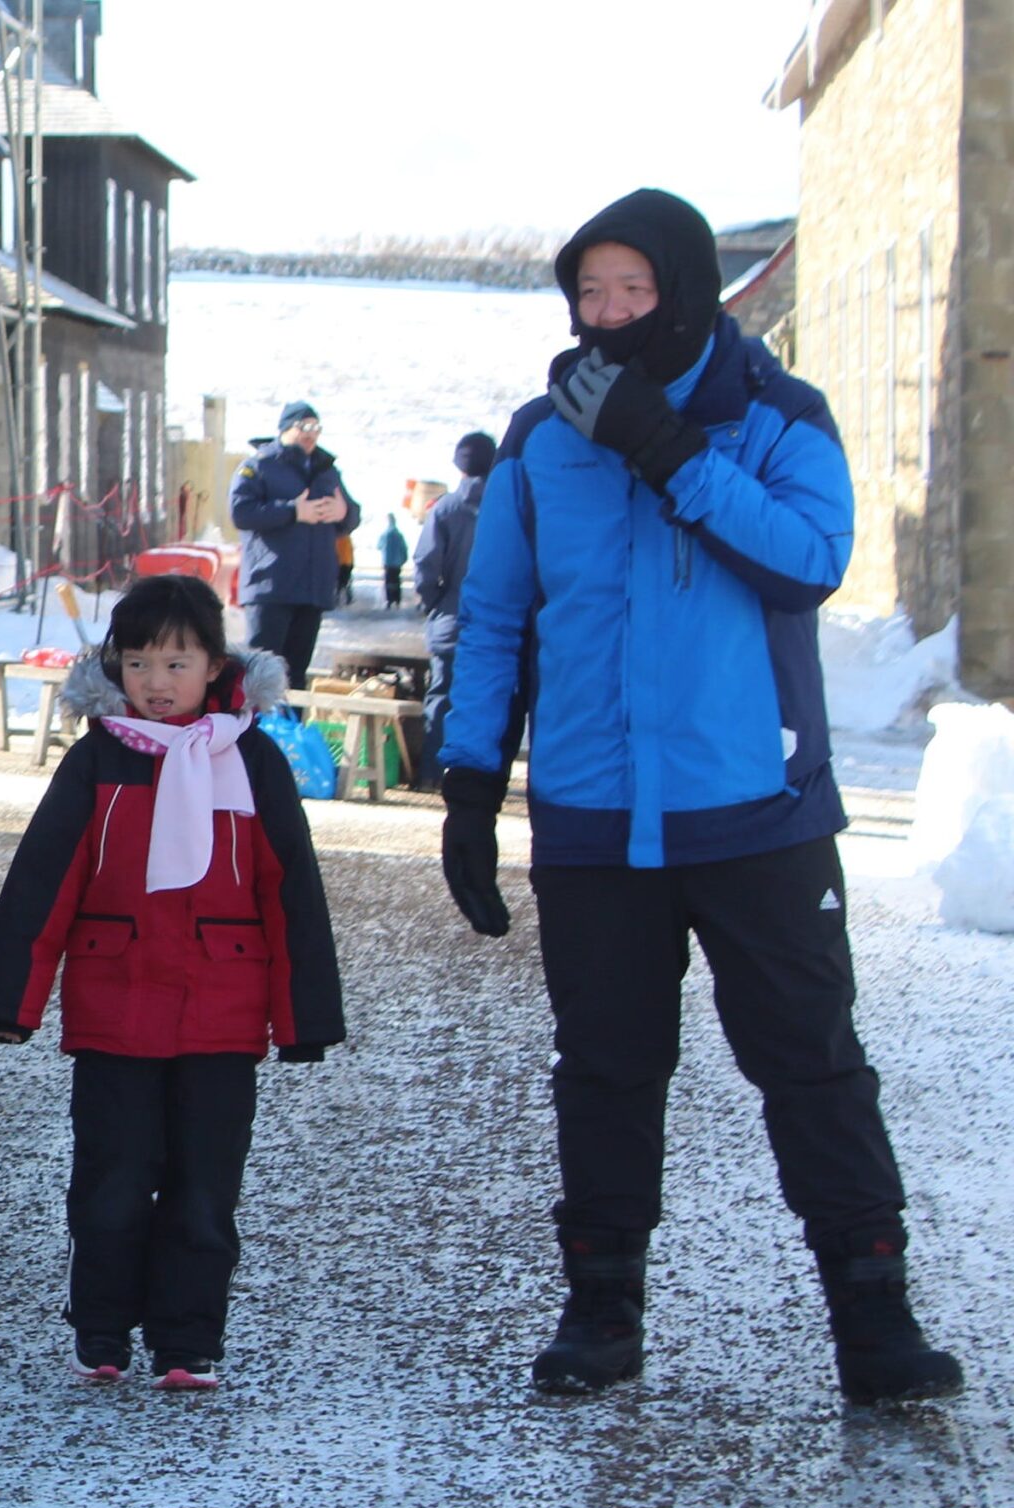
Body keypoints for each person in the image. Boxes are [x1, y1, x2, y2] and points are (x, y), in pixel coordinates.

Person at [434, 188, 964, 1405]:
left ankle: (874, 1323)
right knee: (606, 1069)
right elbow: (498, 616)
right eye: (590, 292)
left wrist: (665, 450)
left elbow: (806, 564)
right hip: (592, 818)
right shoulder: (537, 440)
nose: (609, 315)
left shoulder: (776, 419)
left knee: (811, 1064)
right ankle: (601, 1312)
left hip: (754, 811)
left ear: (683, 289)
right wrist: (469, 782)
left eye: (634, 289)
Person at [0, 576, 343, 1389]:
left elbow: (291, 894)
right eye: (138, 662)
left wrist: (303, 1015)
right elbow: (45, 880)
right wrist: (10, 1000)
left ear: (215, 665)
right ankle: (101, 1327)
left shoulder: (254, 760)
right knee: (111, 1182)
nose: (157, 681)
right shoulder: (98, 760)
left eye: (177, 661)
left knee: (206, 1191)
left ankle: (187, 1338)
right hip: (115, 1011)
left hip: (222, 1014)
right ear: (115, 667)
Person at [230, 400, 360, 685]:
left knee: (296, 676)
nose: (311, 434)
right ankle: (253, 729)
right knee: (260, 674)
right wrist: (292, 511)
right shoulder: (259, 466)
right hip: (272, 587)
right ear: (285, 428)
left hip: (312, 590)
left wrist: (344, 513)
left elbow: (352, 515)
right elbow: (241, 513)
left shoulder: (327, 470)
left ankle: (292, 729)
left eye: (316, 428)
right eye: (304, 427)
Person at [411, 432, 496, 784]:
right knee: (488, 700)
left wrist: (436, 604)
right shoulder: (509, 504)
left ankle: (430, 774)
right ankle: (479, 777)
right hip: (496, 622)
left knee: (441, 696)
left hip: (451, 617)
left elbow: (425, 565)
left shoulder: (445, 508)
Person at [378, 513, 409, 609]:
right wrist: (404, 559)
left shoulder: (384, 534)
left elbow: (379, 546)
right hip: (397, 563)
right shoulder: (399, 535)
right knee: (396, 581)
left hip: (387, 562)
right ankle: (397, 600)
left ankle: (389, 600)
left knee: (388, 581)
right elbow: (404, 548)